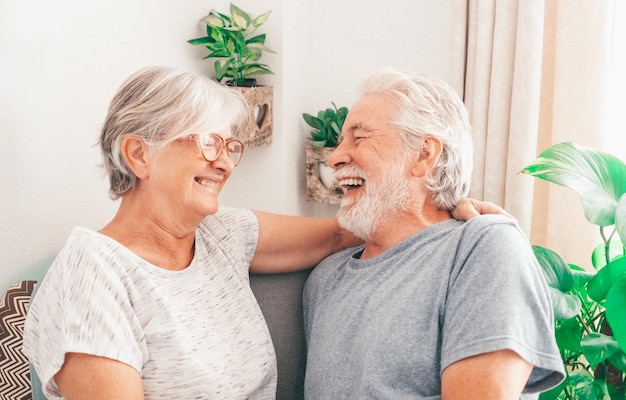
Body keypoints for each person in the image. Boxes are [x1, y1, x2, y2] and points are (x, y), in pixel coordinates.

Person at [23, 66, 504, 400]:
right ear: (138, 154)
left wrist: (450, 211)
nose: (226, 161)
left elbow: (344, 233)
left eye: (231, 146)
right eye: (208, 141)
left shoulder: (220, 233)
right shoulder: (92, 273)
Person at [302, 68, 566, 399]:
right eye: (342, 141)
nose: (336, 157)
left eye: (359, 137)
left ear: (425, 154)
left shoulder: (483, 247)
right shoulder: (325, 280)